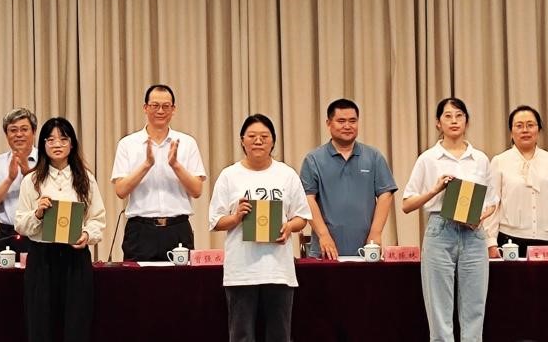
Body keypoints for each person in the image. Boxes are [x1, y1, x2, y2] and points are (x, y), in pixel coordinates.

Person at [401, 97, 497, 342]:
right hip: (440, 231)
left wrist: (479, 217)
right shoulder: (428, 158)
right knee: (439, 308)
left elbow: (492, 201)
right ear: (438, 123)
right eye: (448, 116)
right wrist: (435, 190)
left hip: (474, 234)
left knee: (475, 306)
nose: (454, 121)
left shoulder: (480, 159)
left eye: (459, 115)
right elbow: (406, 204)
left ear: (467, 121)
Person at [209, 114, 311, 342]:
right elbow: (215, 221)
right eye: (252, 136)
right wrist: (236, 217)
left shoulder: (287, 174)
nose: (258, 141)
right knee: (241, 335)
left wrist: (288, 227)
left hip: (278, 270)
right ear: (242, 140)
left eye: (264, 136)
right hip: (241, 271)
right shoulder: (229, 176)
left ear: (273, 141)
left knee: (280, 335)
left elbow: (302, 217)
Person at [15, 117, 106, 342]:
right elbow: (20, 224)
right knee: (40, 326)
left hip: (75, 258)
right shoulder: (31, 180)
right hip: (41, 258)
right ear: (43, 144)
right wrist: (37, 213)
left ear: (72, 144)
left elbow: (97, 219)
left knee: (77, 325)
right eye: (50, 139)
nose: (57, 144)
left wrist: (86, 235)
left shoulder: (85, 179)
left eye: (63, 139)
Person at [110, 84, 207, 261]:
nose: (160, 111)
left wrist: (175, 165)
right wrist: (146, 165)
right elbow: (121, 191)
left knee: (181, 279)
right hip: (140, 231)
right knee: (136, 280)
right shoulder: (127, 144)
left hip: (177, 229)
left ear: (173, 109)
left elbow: (197, 190)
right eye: (155, 105)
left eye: (166, 106)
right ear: (145, 108)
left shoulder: (187, 142)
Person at [299, 98, 397, 260]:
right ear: (328, 123)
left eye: (352, 121)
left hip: (366, 249)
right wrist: (323, 235)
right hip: (326, 250)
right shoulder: (313, 159)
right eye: (341, 121)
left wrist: (376, 233)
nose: (347, 126)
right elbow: (308, 199)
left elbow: (386, 194)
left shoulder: (373, 156)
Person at [486, 105, 548, 258]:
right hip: (509, 240)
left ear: (538, 129)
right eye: (519, 126)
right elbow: (492, 205)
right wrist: (491, 242)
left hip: (547, 241)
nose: (525, 130)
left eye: (530, 125)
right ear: (511, 131)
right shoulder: (499, 161)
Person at [0, 108, 38, 263]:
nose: (18, 134)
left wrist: (27, 172)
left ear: (34, 132)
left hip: (37, 234)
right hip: (6, 235)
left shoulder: (45, 161)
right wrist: (9, 179)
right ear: (6, 134)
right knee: (1, 279)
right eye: (13, 130)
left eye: (24, 129)